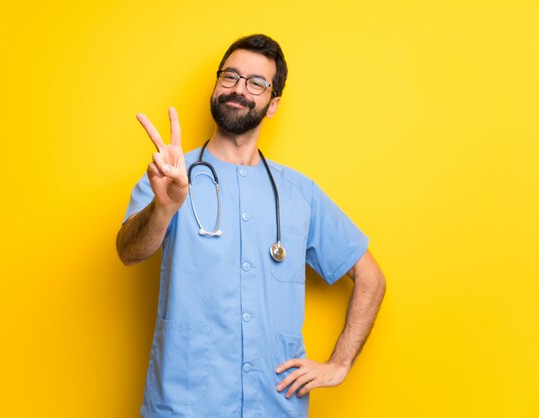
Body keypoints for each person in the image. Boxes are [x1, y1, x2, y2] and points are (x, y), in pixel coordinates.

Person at [117, 34, 386, 418]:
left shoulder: (298, 194)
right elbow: (128, 252)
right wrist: (163, 208)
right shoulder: (169, 175)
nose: (238, 89)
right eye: (230, 76)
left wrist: (338, 364)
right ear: (216, 86)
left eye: (256, 83)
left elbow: (371, 278)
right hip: (184, 406)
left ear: (273, 103)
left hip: (274, 406)